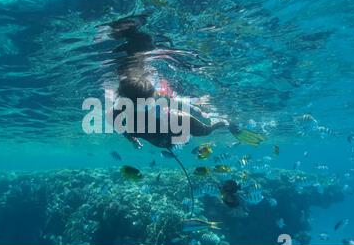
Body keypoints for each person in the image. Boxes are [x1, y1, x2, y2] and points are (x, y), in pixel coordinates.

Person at [99, 14, 264, 149]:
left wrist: (227, 124)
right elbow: (204, 125)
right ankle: (135, 35)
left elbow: (204, 124)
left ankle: (136, 35)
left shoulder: (168, 116)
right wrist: (227, 124)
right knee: (199, 126)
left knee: (198, 125)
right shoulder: (169, 118)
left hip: (159, 118)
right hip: (158, 118)